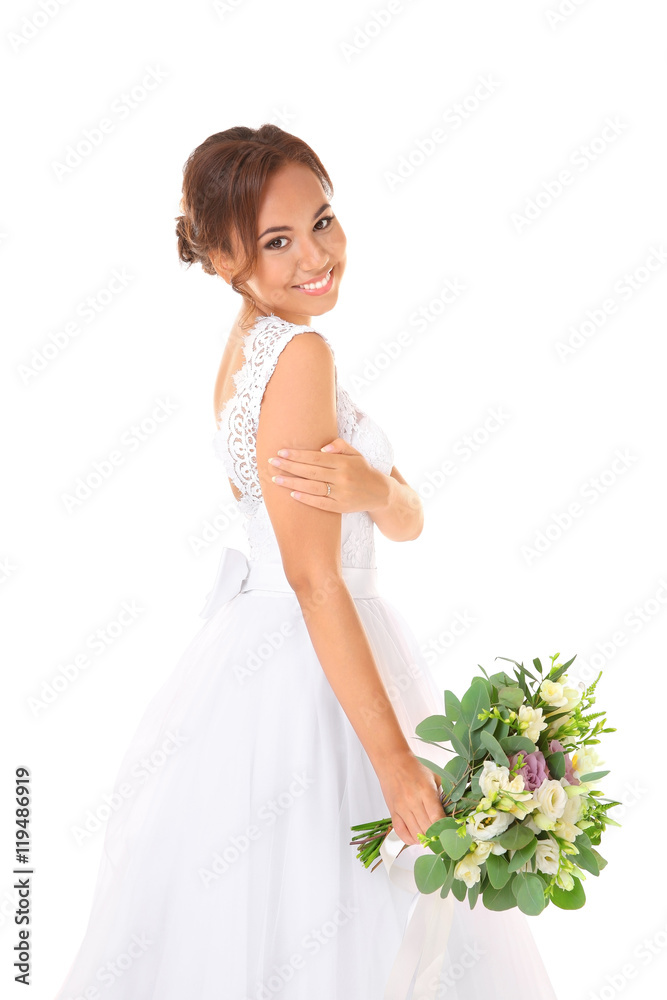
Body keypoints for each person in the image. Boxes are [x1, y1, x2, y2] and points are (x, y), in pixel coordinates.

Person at [52, 125, 558, 1000]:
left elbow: (406, 516)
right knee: (335, 908)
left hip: (297, 651)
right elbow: (314, 578)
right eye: (276, 241)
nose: (315, 255)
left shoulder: (263, 345)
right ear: (221, 256)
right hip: (312, 666)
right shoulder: (298, 356)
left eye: (322, 221)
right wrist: (396, 761)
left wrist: (369, 486)